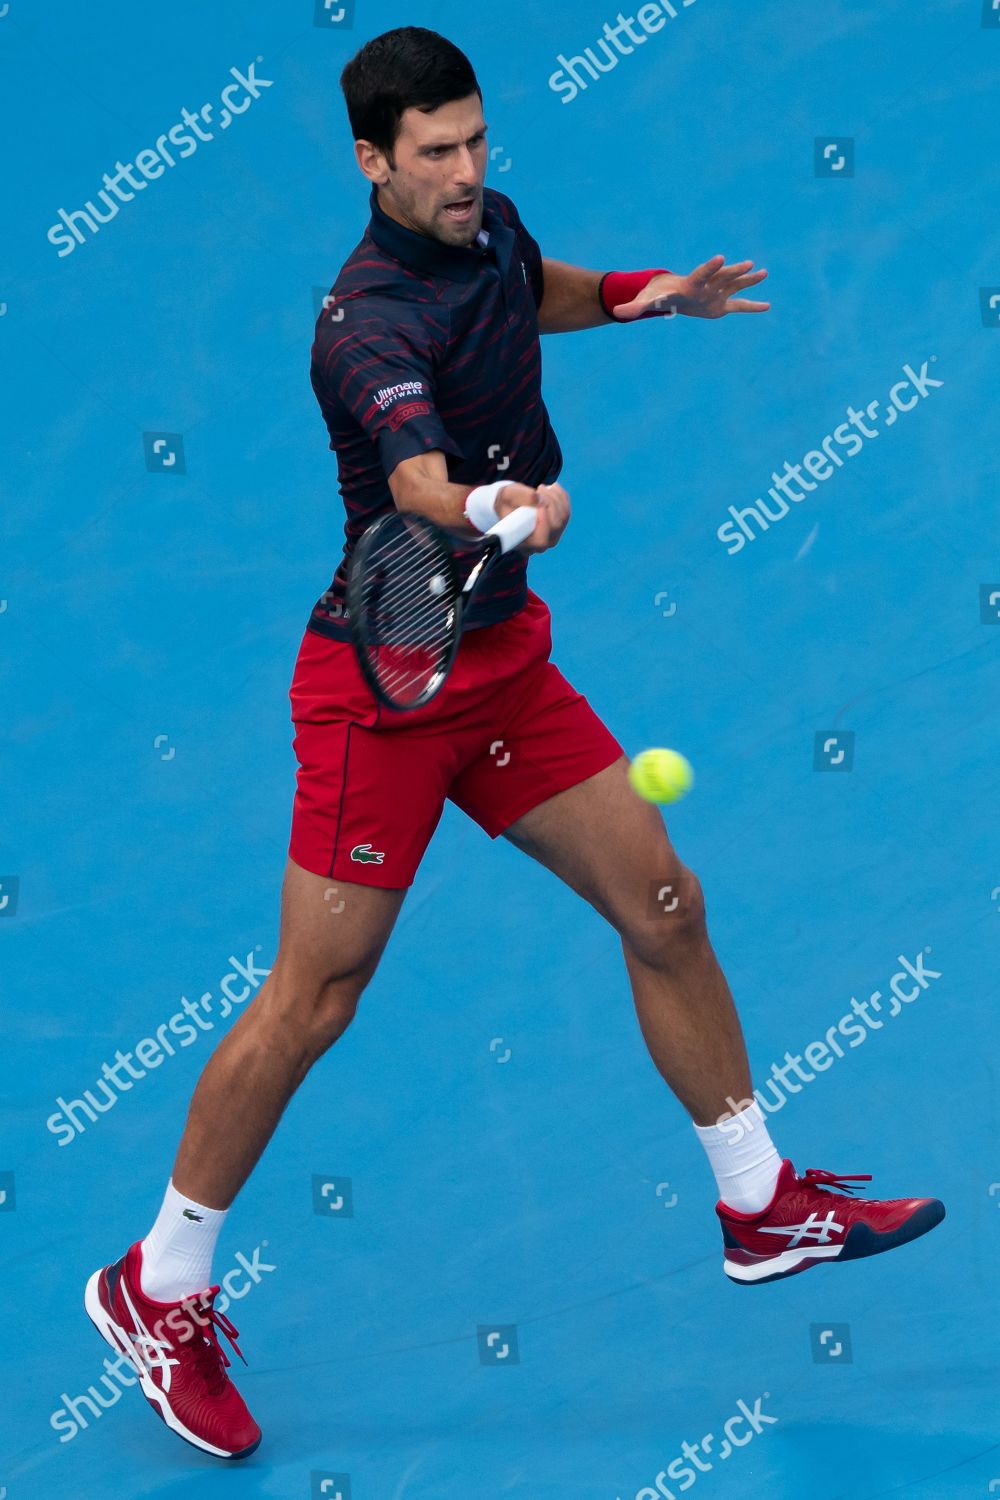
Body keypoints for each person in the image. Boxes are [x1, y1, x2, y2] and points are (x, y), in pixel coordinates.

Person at [84, 25, 945, 1461]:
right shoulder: (361, 327)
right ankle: (156, 1283)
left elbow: (523, 293)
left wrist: (648, 297)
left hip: (500, 669)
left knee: (664, 901)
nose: (469, 171)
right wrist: (506, 507)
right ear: (373, 162)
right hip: (385, 688)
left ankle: (757, 1201)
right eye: (437, 154)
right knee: (318, 995)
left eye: (478, 141)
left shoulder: (482, 226)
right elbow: (419, 472)